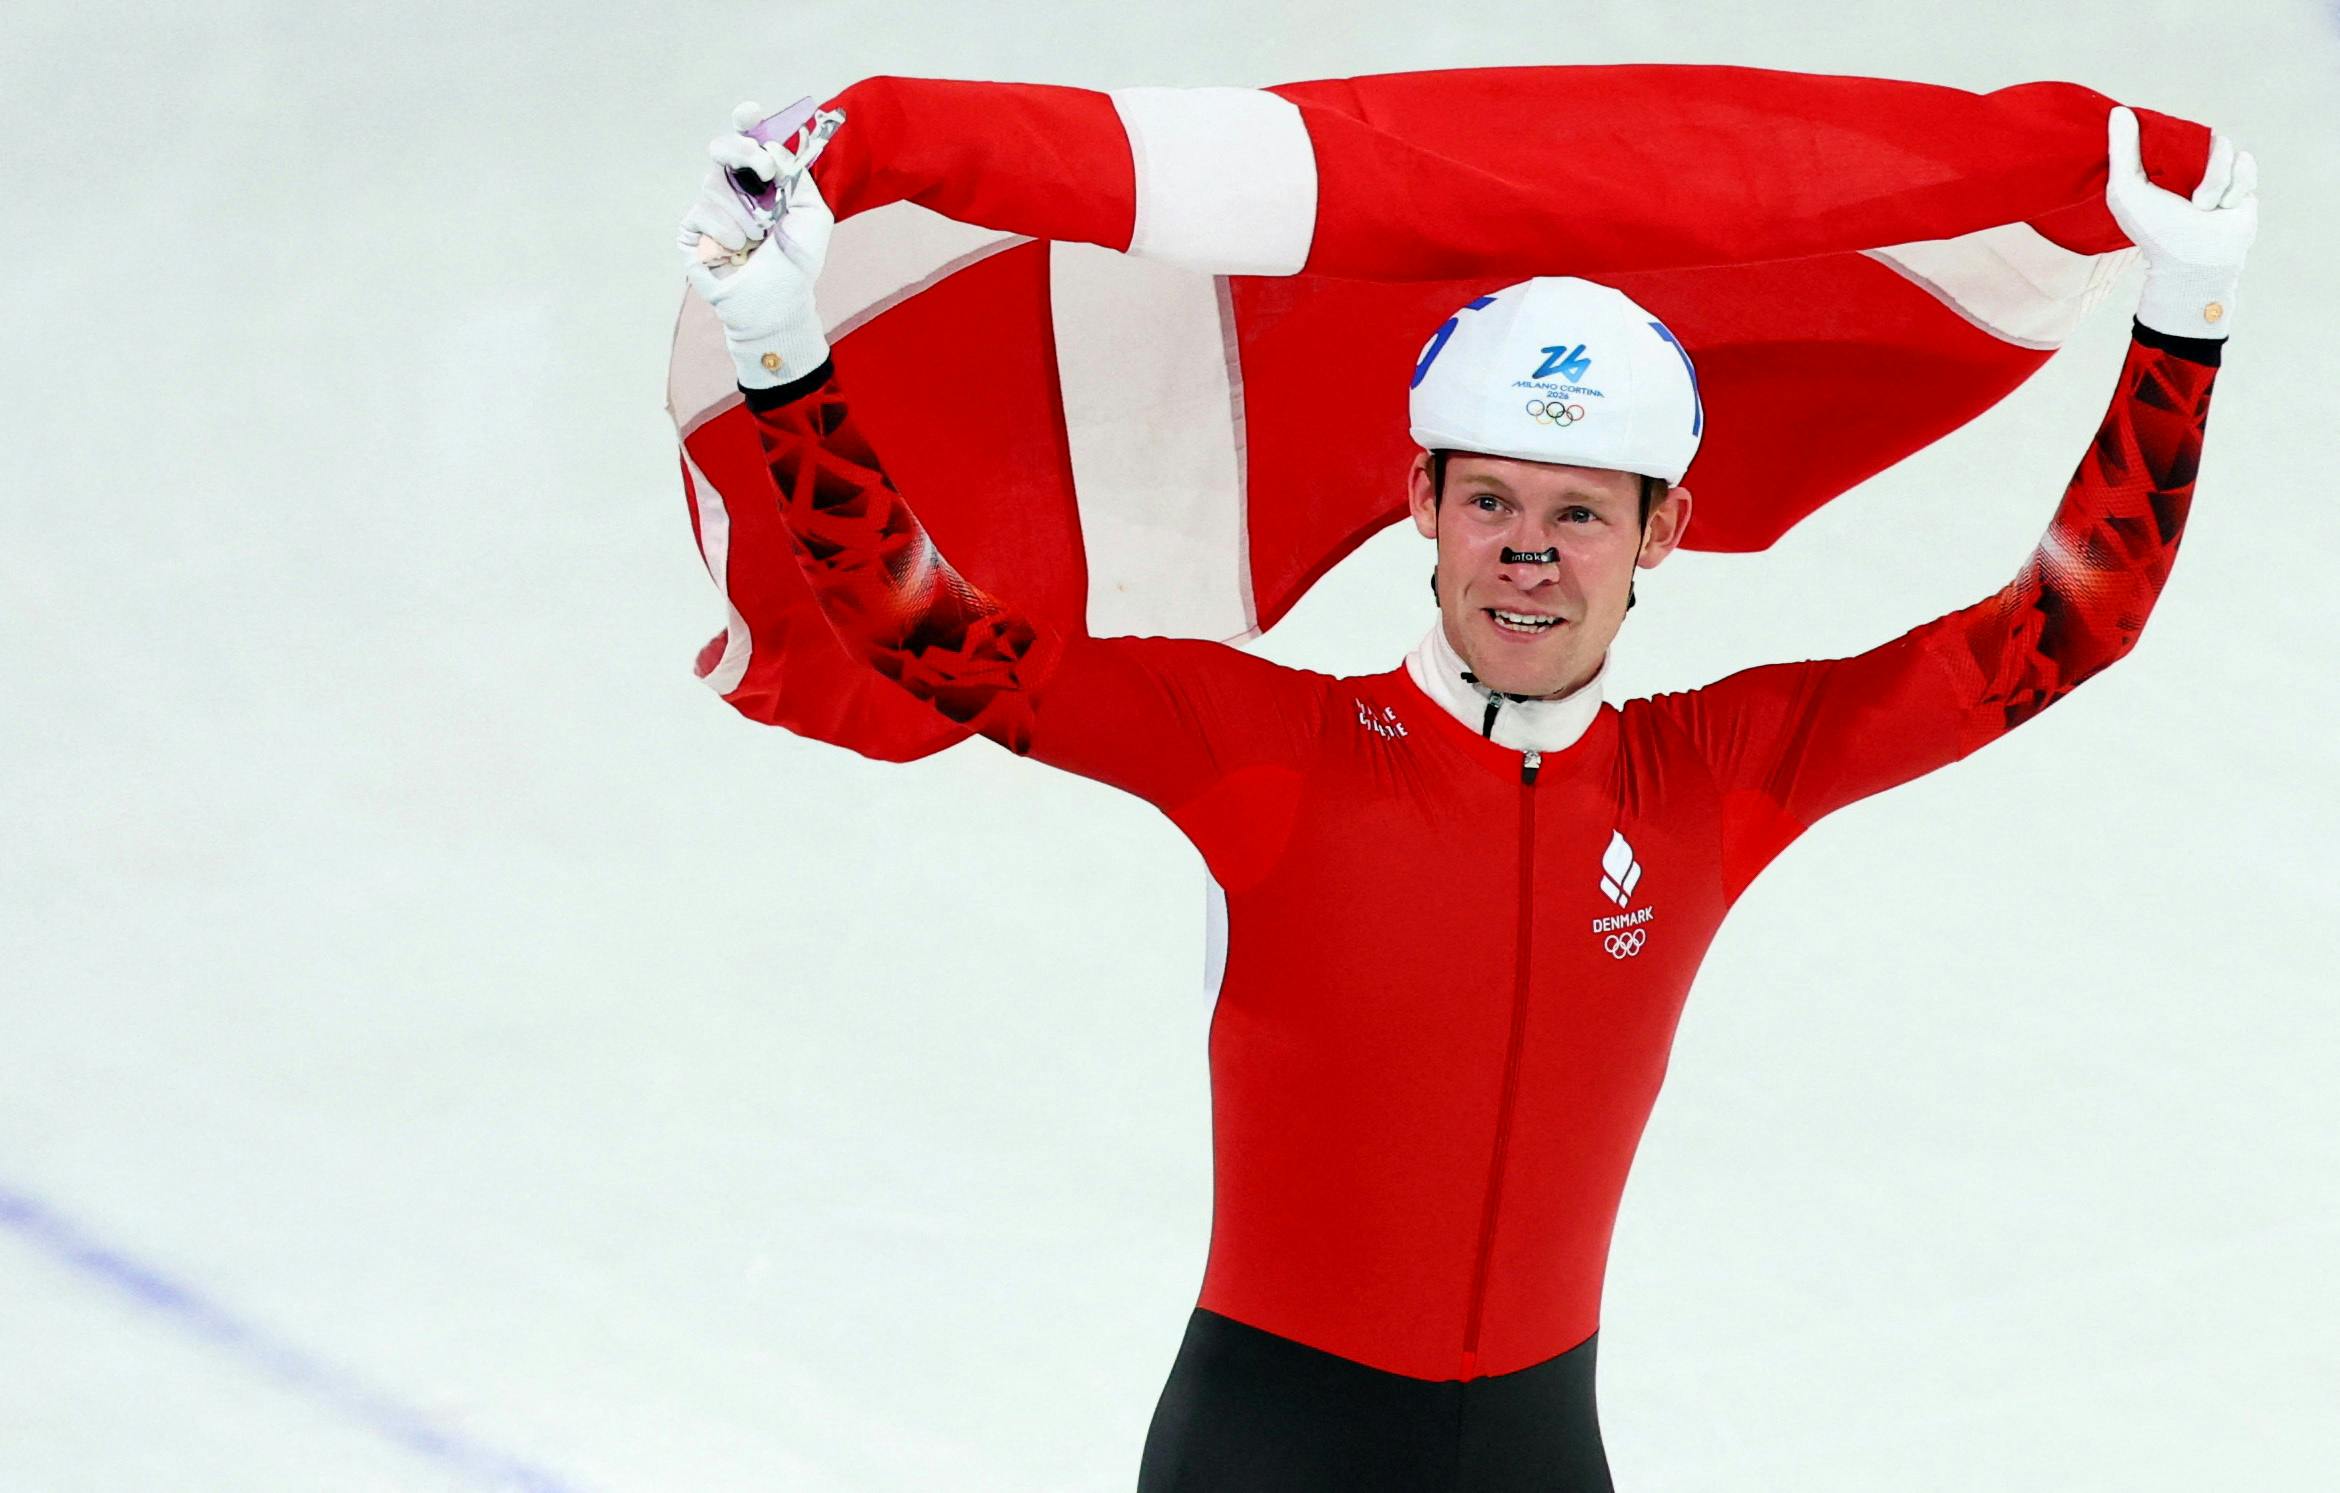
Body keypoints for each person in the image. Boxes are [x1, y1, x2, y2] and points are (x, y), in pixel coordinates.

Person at [674, 100, 2256, 1491]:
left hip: (1536, 1452)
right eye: (1490, 496)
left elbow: (2065, 623)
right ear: (1420, 500)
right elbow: (924, 633)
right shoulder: (1262, 747)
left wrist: (2181, 326)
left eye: (1581, 511)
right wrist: (777, 346)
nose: (1528, 548)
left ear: (1661, 535)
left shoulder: (1712, 778)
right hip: (1263, 1449)